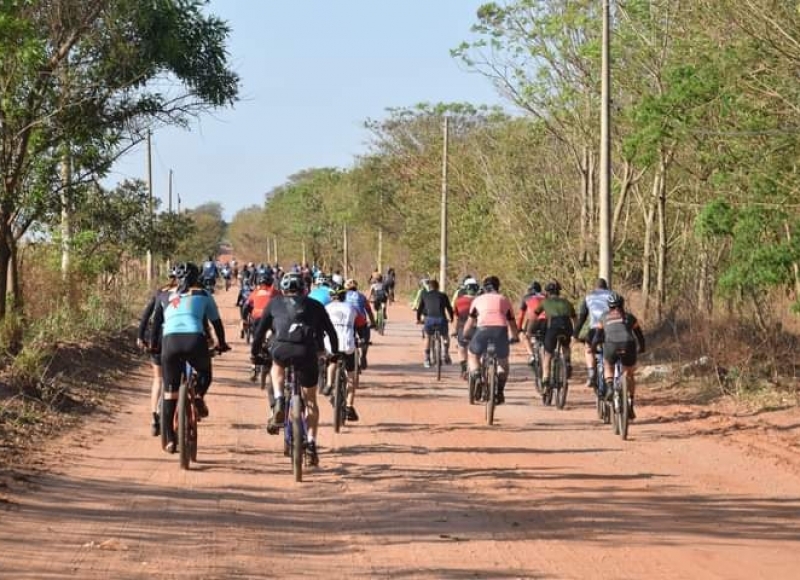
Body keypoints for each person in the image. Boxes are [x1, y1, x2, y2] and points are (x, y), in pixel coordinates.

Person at [250, 272, 338, 467]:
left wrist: (254, 354)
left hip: (281, 348)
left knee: (277, 366)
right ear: (304, 289)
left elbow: (259, 332)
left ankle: (280, 398)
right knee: (311, 402)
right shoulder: (315, 305)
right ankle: (312, 445)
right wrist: (335, 353)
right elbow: (331, 332)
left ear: (283, 289)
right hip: (308, 352)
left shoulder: (275, 303)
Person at [150, 262, 230, 453]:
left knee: (170, 394)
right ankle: (199, 395)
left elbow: (155, 325)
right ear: (198, 277)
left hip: (170, 343)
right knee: (205, 373)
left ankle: (169, 440)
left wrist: (154, 345)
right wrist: (222, 343)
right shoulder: (203, 294)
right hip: (195, 340)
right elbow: (216, 323)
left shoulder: (164, 294)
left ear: (175, 278)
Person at [462, 276, 519, 404]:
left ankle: (477, 376)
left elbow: (470, 322)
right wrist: (515, 336)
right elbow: (512, 323)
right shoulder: (504, 300)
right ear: (498, 287)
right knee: (503, 362)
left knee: (472, 354)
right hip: (500, 332)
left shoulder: (477, 300)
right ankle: (499, 391)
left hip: (482, 330)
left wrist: (465, 335)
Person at [136, 267, 178, 436]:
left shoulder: (160, 292)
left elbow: (146, 315)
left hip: (159, 340)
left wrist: (140, 336)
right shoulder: (189, 293)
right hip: (177, 340)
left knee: (158, 379)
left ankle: (155, 418)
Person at [592, 292, 646, 419]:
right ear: (622, 305)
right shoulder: (630, 317)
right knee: (630, 374)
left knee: (608, 365)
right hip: (628, 345)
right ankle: (630, 403)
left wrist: (593, 348)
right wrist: (642, 348)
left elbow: (597, 337)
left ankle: (610, 387)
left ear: (609, 306)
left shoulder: (604, 317)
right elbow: (639, 335)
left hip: (611, 346)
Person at [324, 287, 360, 421]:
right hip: (347, 345)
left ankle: (328, 384)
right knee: (351, 375)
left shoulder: (326, 308)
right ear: (344, 296)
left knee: (332, 361)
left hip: (331, 345)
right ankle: (350, 406)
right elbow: (361, 323)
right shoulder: (351, 308)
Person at [533, 281, 576, 392]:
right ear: (558, 292)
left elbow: (534, 316)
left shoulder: (545, 302)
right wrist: (576, 332)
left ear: (547, 293)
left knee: (548, 354)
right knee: (565, 346)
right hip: (567, 326)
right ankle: (567, 362)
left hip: (553, 327)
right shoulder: (567, 302)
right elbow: (575, 318)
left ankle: (546, 379)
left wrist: (530, 329)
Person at [574, 278, 613, 388]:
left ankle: (591, 374)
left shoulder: (589, 297)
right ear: (606, 287)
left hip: (595, 329)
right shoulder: (613, 295)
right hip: (612, 327)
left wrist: (575, 334)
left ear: (595, 288)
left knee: (588, 347)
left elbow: (582, 318)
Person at [242, 268, 280, 381]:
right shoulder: (274, 292)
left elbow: (246, 307)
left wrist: (244, 319)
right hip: (272, 320)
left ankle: (253, 368)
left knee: (256, 341)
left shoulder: (255, 292)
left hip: (257, 319)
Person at [415, 279, 454, 368]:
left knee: (428, 337)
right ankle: (446, 353)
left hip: (429, 320)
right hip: (441, 320)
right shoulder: (443, 295)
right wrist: (451, 318)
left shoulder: (425, 295)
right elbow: (449, 308)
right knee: (445, 336)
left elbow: (420, 309)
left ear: (429, 287)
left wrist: (418, 319)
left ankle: (427, 359)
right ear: (438, 287)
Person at [344, 279, 377, 370]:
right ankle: (364, 356)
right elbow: (369, 311)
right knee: (365, 339)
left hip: (348, 321)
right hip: (361, 321)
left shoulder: (343, 296)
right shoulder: (361, 296)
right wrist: (373, 323)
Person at [453, 277, 480, 378]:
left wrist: (454, 331)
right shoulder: (480, 300)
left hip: (463, 328)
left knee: (461, 347)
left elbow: (456, 317)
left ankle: (464, 369)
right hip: (478, 328)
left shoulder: (458, 301)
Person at [517, 281, 548, 366]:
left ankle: (532, 356)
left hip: (533, 320)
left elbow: (521, 316)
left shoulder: (526, 297)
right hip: (547, 320)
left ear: (529, 290)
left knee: (525, 336)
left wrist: (519, 329)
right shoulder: (546, 296)